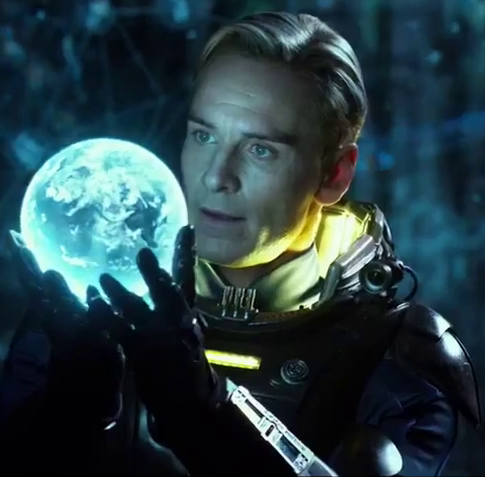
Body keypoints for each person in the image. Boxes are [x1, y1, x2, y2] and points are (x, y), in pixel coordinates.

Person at [0, 11, 481, 477]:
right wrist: (71, 411)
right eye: (204, 135)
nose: (216, 177)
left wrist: (202, 411)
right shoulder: (82, 316)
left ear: (334, 173)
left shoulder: (402, 360)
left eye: (261, 149)